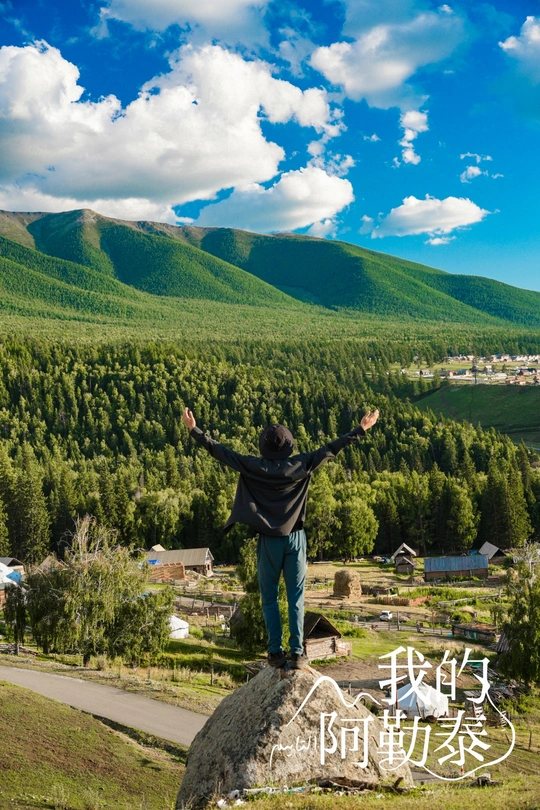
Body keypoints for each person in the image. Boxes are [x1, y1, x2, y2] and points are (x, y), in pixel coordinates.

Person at [182, 406, 379, 669]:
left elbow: (221, 452)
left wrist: (195, 430)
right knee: (296, 598)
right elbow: (332, 448)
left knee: (269, 599)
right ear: (289, 445)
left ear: (264, 447)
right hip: (295, 539)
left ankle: (275, 653)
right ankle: (297, 654)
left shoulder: (253, 466)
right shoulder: (301, 464)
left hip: (268, 542)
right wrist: (360, 429)